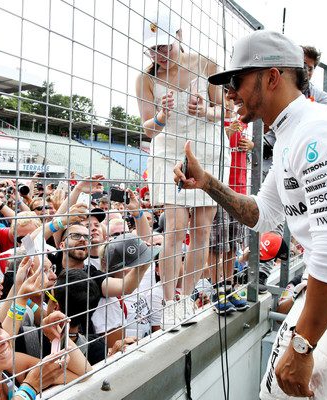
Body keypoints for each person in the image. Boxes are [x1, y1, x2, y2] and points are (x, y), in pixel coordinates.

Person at [174, 30, 327, 399]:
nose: (228, 93)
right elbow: (262, 214)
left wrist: (302, 345)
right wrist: (208, 183)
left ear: (272, 77)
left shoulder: (315, 132)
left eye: (236, 80)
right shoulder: (296, 133)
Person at [135, 5, 229, 323]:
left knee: (202, 228)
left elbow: (225, 111)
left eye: (164, 45)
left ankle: (185, 298)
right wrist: (161, 116)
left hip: (206, 150)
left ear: (178, 36)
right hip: (168, 150)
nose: (159, 54)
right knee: (175, 226)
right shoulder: (145, 79)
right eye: (153, 48)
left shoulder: (206, 63)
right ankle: (167, 303)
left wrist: (205, 110)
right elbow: (147, 126)